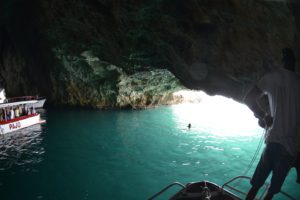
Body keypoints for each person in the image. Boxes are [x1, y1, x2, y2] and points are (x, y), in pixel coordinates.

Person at [243, 48, 300, 200]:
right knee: (272, 191)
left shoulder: (273, 77)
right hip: (288, 149)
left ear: (281, 62)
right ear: (294, 64)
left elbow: (248, 98)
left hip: (272, 143)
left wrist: (263, 116)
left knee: (255, 186)